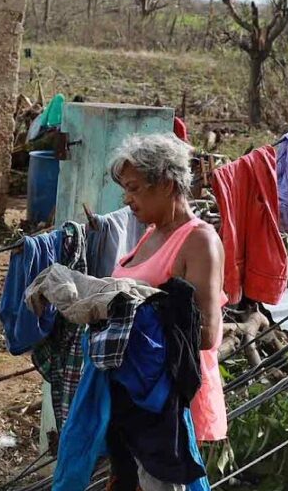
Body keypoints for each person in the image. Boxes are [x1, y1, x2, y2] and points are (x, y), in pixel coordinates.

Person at [108, 133, 228, 442]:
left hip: (171, 399)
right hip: (138, 391)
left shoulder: (200, 241)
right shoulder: (153, 233)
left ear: (166, 183)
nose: (126, 200)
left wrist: (132, 317)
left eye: (133, 189)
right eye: (125, 190)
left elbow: (205, 334)